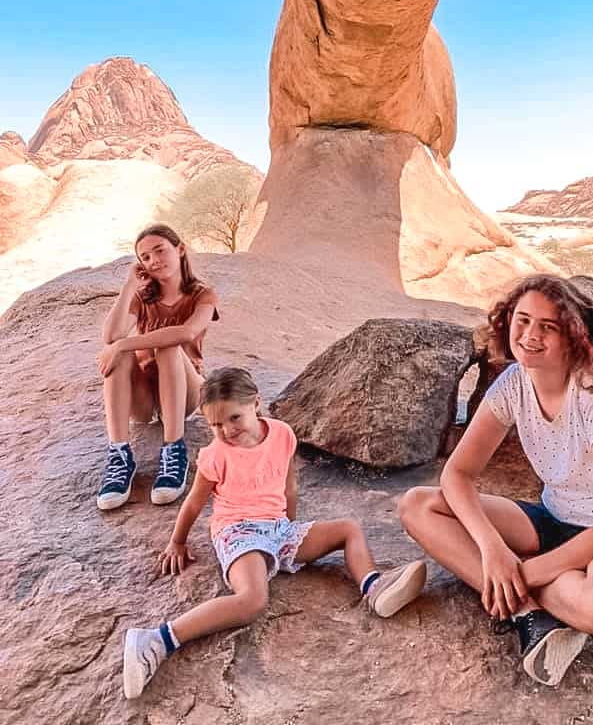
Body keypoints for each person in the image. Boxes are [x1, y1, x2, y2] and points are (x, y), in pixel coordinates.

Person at [399, 274, 593, 687]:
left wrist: (521, 574)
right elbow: (457, 474)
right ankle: (529, 614)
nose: (530, 335)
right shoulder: (514, 383)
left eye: (548, 327)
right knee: (419, 506)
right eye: (522, 320)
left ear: (577, 337)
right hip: (555, 521)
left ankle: (513, 595)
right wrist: (493, 550)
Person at [122, 366, 427, 699]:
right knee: (252, 600)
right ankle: (156, 640)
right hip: (238, 532)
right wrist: (176, 542)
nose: (225, 430)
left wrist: (291, 529)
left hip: (278, 528)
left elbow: (289, 486)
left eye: (233, 418)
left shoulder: (282, 434)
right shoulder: (216, 456)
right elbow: (195, 504)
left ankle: (373, 585)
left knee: (348, 528)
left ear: (256, 403)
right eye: (215, 425)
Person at [96, 223, 219, 511]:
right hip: (144, 400)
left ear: (180, 249)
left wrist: (122, 344)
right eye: (146, 258)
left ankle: (173, 448)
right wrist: (129, 286)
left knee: (166, 346)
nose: (154, 261)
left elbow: (186, 333)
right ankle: (119, 456)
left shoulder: (203, 295)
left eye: (160, 250)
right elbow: (111, 336)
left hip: (184, 393)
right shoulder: (144, 297)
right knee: (118, 355)